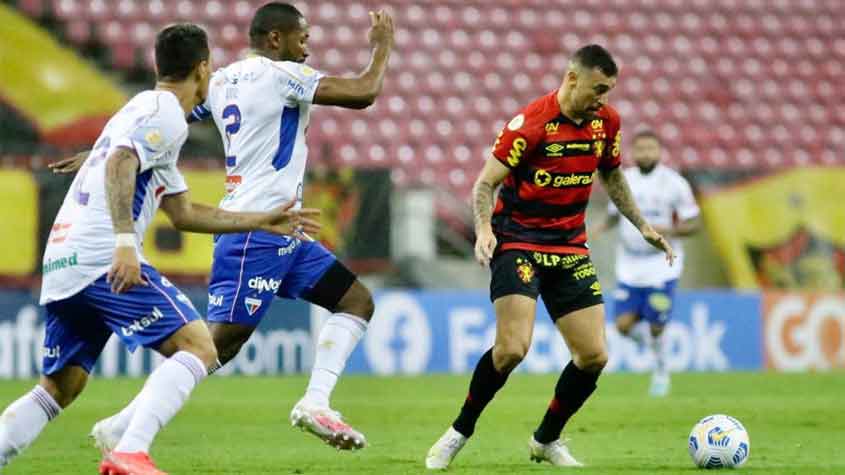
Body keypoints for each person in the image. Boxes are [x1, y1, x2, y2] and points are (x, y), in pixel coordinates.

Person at [51, 2, 394, 452]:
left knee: (355, 301)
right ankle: (125, 425)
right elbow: (364, 92)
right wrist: (382, 49)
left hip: (282, 231)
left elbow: (166, 116)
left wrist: (103, 151)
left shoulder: (222, 80)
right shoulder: (279, 75)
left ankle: (315, 402)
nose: (308, 49)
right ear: (275, 39)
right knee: (214, 346)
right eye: (302, 38)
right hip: (254, 232)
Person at [2, 24, 319, 475]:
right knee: (199, 347)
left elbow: (185, 214)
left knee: (60, 386)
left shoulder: (142, 111)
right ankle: (130, 450)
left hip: (64, 261)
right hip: (99, 258)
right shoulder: (165, 113)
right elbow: (120, 161)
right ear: (204, 67)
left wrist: (263, 219)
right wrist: (126, 244)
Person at [425, 45, 675, 470]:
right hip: (519, 241)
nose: (604, 99)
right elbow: (484, 184)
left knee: (594, 356)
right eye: (598, 88)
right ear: (572, 77)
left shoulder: (606, 123)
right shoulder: (531, 125)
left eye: (610, 90)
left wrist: (643, 225)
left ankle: (546, 440)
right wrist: (484, 229)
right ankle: (459, 431)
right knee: (511, 350)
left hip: (570, 246)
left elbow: (612, 174)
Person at [590, 129, 700, 397]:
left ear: (660, 151)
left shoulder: (675, 183)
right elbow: (617, 214)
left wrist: (668, 230)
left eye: (651, 148)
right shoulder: (624, 179)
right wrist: (600, 227)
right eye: (640, 149)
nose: (645, 154)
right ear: (632, 152)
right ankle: (656, 348)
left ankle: (661, 371)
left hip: (662, 263)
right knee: (623, 326)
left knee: (656, 324)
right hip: (629, 263)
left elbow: (694, 223)